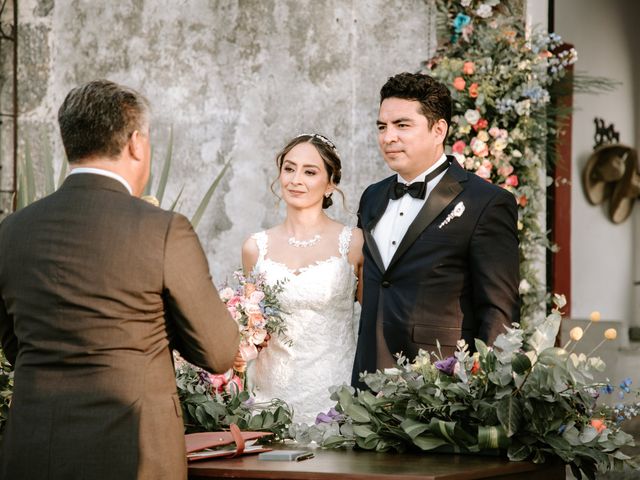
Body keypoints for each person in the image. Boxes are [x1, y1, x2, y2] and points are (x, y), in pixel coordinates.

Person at [0, 80, 240, 479]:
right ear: (135, 143)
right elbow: (217, 351)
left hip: (33, 448)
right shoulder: (161, 231)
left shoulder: (11, 232)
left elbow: (15, 344)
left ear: (69, 143)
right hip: (133, 453)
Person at [351, 72, 520, 388]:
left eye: (402, 125)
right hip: (369, 382)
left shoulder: (486, 202)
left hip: (442, 390)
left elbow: (499, 312)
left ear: (438, 129)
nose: (388, 137)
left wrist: (486, 392)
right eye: (382, 127)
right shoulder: (371, 197)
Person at [241, 133, 364, 424]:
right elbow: (251, 327)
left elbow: (374, 321)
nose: (296, 179)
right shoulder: (255, 247)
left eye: (310, 172)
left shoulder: (354, 243)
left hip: (333, 394)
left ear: (331, 183)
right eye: (289, 168)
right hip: (267, 396)